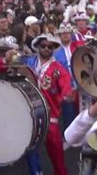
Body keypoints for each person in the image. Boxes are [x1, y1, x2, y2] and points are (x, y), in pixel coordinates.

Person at [24, 34, 72, 175]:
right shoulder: (29, 64)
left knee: (56, 154)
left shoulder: (59, 69)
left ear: (53, 49)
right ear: (38, 47)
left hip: (50, 117)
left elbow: (66, 87)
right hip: (30, 115)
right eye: (43, 46)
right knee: (31, 151)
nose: (46, 48)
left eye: (49, 47)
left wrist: (67, 94)